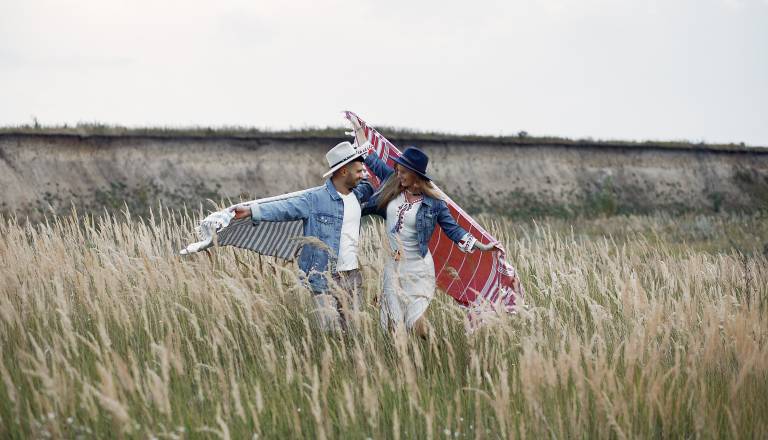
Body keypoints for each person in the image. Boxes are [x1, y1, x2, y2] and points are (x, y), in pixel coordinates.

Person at [348, 116, 499, 338]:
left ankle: (437, 349)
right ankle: (401, 364)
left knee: (414, 320)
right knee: (392, 322)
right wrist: (360, 130)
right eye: (398, 169)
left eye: (403, 171)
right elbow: (369, 157)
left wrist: (481, 246)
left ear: (416, 175)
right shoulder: (392, 183)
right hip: (393, 266)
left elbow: (453, 230)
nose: (398, 173)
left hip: (418, 267)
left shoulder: (434, 204)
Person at [232, 141, 374, 332]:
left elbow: (373, 182)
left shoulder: (359, 193)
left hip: (352, 275)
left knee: (353, 332)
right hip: (323, 275)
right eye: (358, 171)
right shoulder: (314, 199)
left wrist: (363, 142)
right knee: (329, 332)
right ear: (343, 172)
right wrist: (251, 210)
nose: (362, 175)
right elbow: (284, 208)